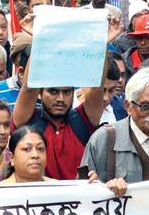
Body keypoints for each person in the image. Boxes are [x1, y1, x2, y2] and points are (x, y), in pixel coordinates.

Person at [12, 20, 122, 180]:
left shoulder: (83, 120)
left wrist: (102, 44)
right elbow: (28, 87)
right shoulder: (28, 121)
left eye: (67, 92)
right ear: (39, 93)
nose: (61, 98)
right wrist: (39, 40)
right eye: (53, 91)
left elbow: (97, 85)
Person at [82, 67, 149, 183]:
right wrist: (99, 188)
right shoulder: (103, 140)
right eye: (145, 107)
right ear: (128, 106)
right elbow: (84, 191)